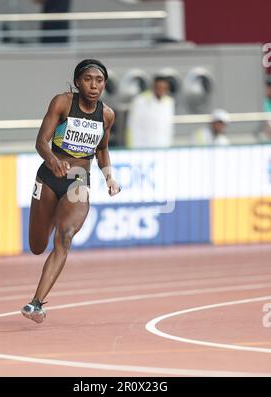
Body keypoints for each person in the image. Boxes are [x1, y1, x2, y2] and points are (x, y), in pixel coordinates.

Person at [21, 59, 121, 323]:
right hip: (49, 176)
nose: (94, 85)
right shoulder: (63, 103)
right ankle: (51, 215)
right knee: (37, 245)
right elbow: (41, 141)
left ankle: (36, 303)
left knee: (65, 237)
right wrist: (53, 161)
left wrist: (109, 177)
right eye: (88, 79)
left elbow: (102, 149)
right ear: (78, 82)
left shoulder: (107, 114)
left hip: (78, 179)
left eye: (99, 81)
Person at [126, 76, 175, 148]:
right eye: (159, 87)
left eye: (164, 88)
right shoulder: (140, 100)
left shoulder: (169, 102)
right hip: (142, 146)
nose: (161, 90)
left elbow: (168, 127)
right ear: (154, 87)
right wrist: (132, 147)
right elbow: (131, 125)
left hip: (163, 146)